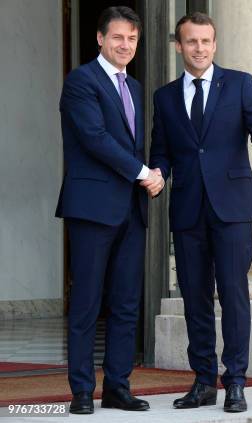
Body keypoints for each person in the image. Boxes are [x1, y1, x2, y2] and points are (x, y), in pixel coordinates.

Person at [147, 12, 252, 413]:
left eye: (206, 41)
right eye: (191, 42)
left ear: (215, 44)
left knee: (234, 295)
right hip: (188, 211)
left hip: (233, 210)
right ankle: (204, 381)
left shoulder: (239, 83)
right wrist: (157, 173)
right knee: (195, 299)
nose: (199, 49)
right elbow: (162, 152)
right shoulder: (165, 97)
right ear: (178, 46)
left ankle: (235, 380)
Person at [55, 6, 164, 414]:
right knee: (85, 301)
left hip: (131, 211)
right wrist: (143, 173)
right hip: (92, 209)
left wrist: (153, 174)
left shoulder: (134, 88)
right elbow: (95, 138)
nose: (125, 45)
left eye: (132, 39)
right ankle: (82, 391)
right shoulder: (80, 82)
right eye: (118, 37)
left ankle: (117, 386)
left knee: (126, 303)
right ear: (100, 39)